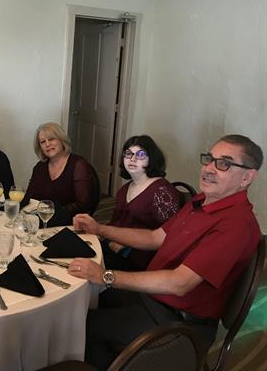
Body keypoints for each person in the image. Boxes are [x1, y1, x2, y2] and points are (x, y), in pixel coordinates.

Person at [69, 134, 263, 370]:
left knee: (81, 325)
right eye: (209, 159)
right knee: (82, 300)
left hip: (178, 323)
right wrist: (99, 229)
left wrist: (106, 276)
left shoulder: (235, 224)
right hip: (155, 300)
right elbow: (155, 237)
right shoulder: (202, 201)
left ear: (247, 177)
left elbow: (179, 283)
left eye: (224, 163)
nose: (209, 169)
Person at [102, 135, 179, 271]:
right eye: (128, 154)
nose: (132, 159)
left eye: (140, 154)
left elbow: (170, 234)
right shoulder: (124, 189)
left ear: (152, 159)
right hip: (116, 246)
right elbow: (116, 222)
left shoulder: (162, 191)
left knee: (90, 263)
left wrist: (127, 242)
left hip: (144, 258)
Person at [25, 122, 98, 226]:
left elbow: (83, 204)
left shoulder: (79, 165)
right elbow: (30, 196)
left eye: (51, 139)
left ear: (62, 140)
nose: (47, 144)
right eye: (42, 142)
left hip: (71, 223)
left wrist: (55, 214)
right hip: (44, 221)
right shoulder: (39, 167)